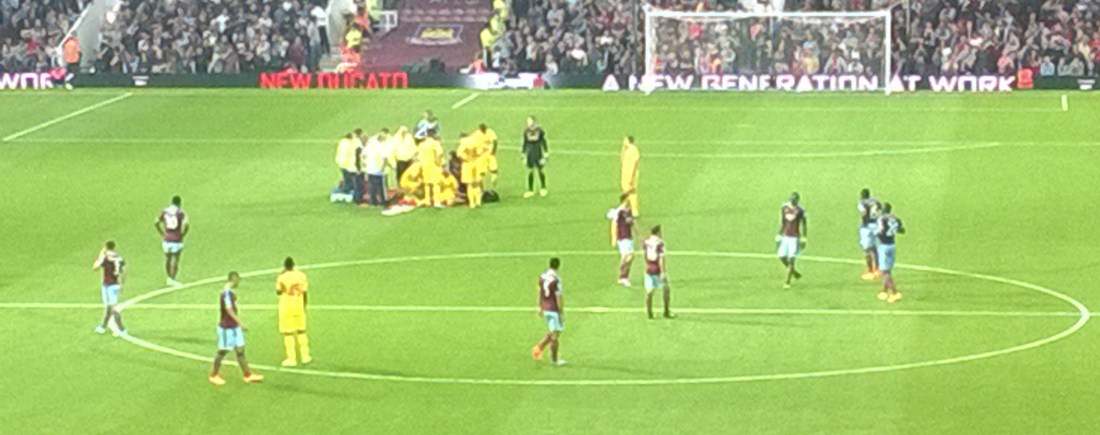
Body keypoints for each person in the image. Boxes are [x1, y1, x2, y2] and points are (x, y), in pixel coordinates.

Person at [209, 271, 264, 386]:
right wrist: (241, 323)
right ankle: (214, 375)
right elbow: (229, 310)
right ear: (234, 279)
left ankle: (247, 375)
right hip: (226, 328)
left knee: (240, 350)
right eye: (238, 280)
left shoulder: (229, 292)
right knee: (222, 351)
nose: (239, 282)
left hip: (234, 327)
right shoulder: (226, 293)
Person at [276, 257, 312, 367]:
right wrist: (304, 305)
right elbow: (305, 292)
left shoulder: (281, 277)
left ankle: (291, 359)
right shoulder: (302, 275)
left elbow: (278, 291)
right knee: (301, 331)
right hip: (299, 306)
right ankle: (305, 356)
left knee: (288, 333)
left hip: (286, 307)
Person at [532, 257, 566, 366]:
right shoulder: (556, 279)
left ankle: (539, 348)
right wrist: (561, 310)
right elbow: (558, 296)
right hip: (553, 309)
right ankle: (554, 360)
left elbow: (539, 291)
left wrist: (540, 306)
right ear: (558, 266)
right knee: (555, 334)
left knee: (553, 332)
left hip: (545, 307)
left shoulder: (542, 276)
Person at [92, 241, 127, 336]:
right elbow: (124, 272)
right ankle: (103, 326)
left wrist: (101, 254)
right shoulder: (119, 258)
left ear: (106, 247)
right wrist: (122, 284)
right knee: (108, 306)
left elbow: (95, 267)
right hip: (115, 284)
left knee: (113, 308)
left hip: (108, 285)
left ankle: (122, 329)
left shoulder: (105, 258)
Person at [154, 195, 189, 287]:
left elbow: (156, 222)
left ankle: (168, 277)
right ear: (179, 203)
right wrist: (183, 234)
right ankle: (173, 278)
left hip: (167, 238)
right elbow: (186, 224)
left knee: (167, 258)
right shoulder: (180, 212)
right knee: (175, 259)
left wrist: (162, 233)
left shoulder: (165, 211)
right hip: (177, 238)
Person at [876, 203, 906, 303]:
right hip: (892, 245)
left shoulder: (882, 219)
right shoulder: (896, 219)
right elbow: (902, 230)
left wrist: (875, 233)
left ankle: (895, 292)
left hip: (883, 246)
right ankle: (884, 291)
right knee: (888, 270)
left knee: (885, 271)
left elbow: (880, 231)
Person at [776, 192, 807, 289]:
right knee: (781, 256)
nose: (794, 202)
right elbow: (782, 222)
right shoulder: (784, 208)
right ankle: (794, 272)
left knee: (792, 259)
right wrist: (779, 234)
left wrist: (804, 237)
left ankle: (787, 282)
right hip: (785, 236)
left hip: (794, 237)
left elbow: (804, 224)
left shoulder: (800, 210)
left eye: (795, 200)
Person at [643, 226, 674, 319]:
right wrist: (662, 272)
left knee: (649, 291)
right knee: (666, 289)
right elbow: (661, 258)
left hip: (649, 267)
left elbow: (645, 255)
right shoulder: (660, 243)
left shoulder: (646, 242)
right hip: (656, 268)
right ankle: (666, 311)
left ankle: (649, 312)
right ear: (658, 232)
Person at [608, 193, 636, 287]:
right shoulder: (619, 212)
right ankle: (622, 275)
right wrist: (614, 237)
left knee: (629, 257)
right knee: (629, 256)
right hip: (623, 236)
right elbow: (613, 220)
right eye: (628, 199)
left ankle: (624, 276)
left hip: (629, 236)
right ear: (624, 200)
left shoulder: (629, 211)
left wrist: (640, 235)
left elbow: (632, 224)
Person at [857, 188, 882, 280]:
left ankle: (870, 269)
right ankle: (878, 268)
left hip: (866, 226)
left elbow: (864, 213)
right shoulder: (876, 201)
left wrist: (864, 224)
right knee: (875, 247)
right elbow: (880, 208)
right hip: (876, 225)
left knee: (867, 249)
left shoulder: (862, 203)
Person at [362, 129, 392, 206]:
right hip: (378, 169)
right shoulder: (381, 146)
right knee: (381, 187)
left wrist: (365, 163)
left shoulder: (370, 145)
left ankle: (373, 201)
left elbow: (363, 155)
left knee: (371, 186)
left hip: (369, 169)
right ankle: (384, 201)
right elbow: (385, 158)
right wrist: (383, 167)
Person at [457, 132, 486, 208]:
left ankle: (472, 203)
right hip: (476, 162)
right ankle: (478, 201)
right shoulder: (475, 140)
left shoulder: (463, 142)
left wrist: (465, 158)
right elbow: (480, 151)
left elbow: (459, 153)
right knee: (477, 183)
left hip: (467, 164)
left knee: (469, 184)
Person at [521, 116, 548, 198]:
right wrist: (523, 153)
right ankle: (530, 190)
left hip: (538, 152)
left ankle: (543, 188)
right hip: (530, 153)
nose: (528, 123)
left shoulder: (539, 131)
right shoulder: (526, 132)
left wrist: (546, 152)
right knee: (530, 171)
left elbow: (543, 141)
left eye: (529, 121)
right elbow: (525, 143)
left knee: (540, 170)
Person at [416, 133, 445, 207]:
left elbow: (418, 157)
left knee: (426, 184)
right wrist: (439, 163)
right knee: (436, 184)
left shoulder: (422, 144)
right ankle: (437, 201)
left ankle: (427, 200)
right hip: (434, 166)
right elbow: (439, 154)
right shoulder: (435, 143)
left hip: (425, 166)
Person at [471, 123, 499, 193]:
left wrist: (493, 151)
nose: (483, 130)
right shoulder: (476, 134)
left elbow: (495, 141)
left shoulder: (490, 132)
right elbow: (472, 143)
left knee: (494, 170)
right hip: (481, 156)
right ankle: (481, 189)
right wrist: (474, 153)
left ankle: (493, 182)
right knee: (481, 173)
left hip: (489, 154)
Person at [335, 132, 359, 200]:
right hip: (347, 164)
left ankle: (347, 189)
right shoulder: (349, 144)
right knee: (349, 179)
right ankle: (347, 191)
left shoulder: (343, 142)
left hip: (341, 163)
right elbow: (350, 153)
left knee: (346, 178)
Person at [620, 136, 640, 216]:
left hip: (630, 174)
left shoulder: (633, 150)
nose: (623, 141)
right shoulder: (627, 149)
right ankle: (624, 205)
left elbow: (634, 164)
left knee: (631, 191)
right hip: (625, 173)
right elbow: (622, 159)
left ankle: (635, 210)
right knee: (625, 190)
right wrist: (623, 148)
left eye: (625, 140)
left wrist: (631, 177)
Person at [351, 129, 366, 204]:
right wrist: (358, 169)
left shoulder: (354, 142)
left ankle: (356, 198)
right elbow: (357, 159)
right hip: (358, 168)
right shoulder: (358, 146)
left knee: (358, 184)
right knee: (359, 184)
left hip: (355, 167)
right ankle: (358, 200)